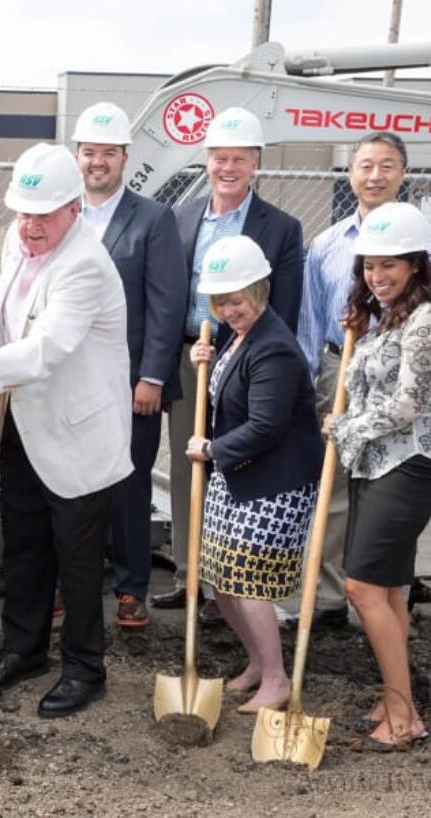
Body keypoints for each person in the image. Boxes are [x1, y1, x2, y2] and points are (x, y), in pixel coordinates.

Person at [0, 144, 130, 718]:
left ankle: (84, 668)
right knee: (23, 548)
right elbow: (3, 322)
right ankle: (23, 650)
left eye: (43, 214)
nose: (29, 225)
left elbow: (50, 344)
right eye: (22, 213)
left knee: (76, 561)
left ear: (74, 208)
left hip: (79, 438)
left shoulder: (85, 264)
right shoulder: (21, 248)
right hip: (24, 428)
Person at [292, 132, 431, 630]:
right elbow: (309, 317)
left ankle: (385, 602)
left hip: (398, 372)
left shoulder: (430, 238)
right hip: (337, 367)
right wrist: (311, 382)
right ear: (350, 174)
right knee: (336, 489)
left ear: (402, 173)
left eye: (387, 165)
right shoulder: (326, 243)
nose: (375, 175)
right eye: (365, 165)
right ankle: (327, 598)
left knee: (388, 493)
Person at [326, 202, 431, 751]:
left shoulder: (427, 320)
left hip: (411, 464)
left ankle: (403, 718)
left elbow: (407, 405)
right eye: (370, 267)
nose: (377, 277)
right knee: (391, 593)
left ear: (415, 265)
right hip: (376, 463)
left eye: (389, 266)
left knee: (361, 586)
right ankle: (393, 698)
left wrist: (344, 425)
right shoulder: (387, 320)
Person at [168, 107, 304, 626]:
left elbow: (282, 308)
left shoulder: (281, 227)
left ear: (255, 164)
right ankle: (189, 577)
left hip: (245, 363)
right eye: (220, 158)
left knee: (231, 462)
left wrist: (248, 357)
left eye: (239, 159)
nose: (228, 168)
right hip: (190, 356)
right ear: (207, 161)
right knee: (188, 464)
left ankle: (224, 583)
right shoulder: (181, 218)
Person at [185, 235, 322, 713]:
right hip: (238, 478)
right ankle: (257, 664)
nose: (227, 309)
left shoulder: (275, 350)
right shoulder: (236, 336)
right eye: (219, 301)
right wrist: (203, 363)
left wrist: (211, 448)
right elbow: (226, 400)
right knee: (222, 579)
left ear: (260, 290)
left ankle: (278, 679)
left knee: (247, 582)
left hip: (274, 486)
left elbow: (266, 426)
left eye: (236, 299)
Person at [72, 102, 188, 628]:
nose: (98, 162)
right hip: (70, 378)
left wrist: (153, 377)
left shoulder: (152, 218)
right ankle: (71, 581)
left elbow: (167, 303)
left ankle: (130, 587)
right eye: (89, 152)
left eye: (108, 154)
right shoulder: (62, 212)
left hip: (129, 381)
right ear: (77, 157)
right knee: (70, 481)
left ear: (124, 158)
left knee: (129, 483)